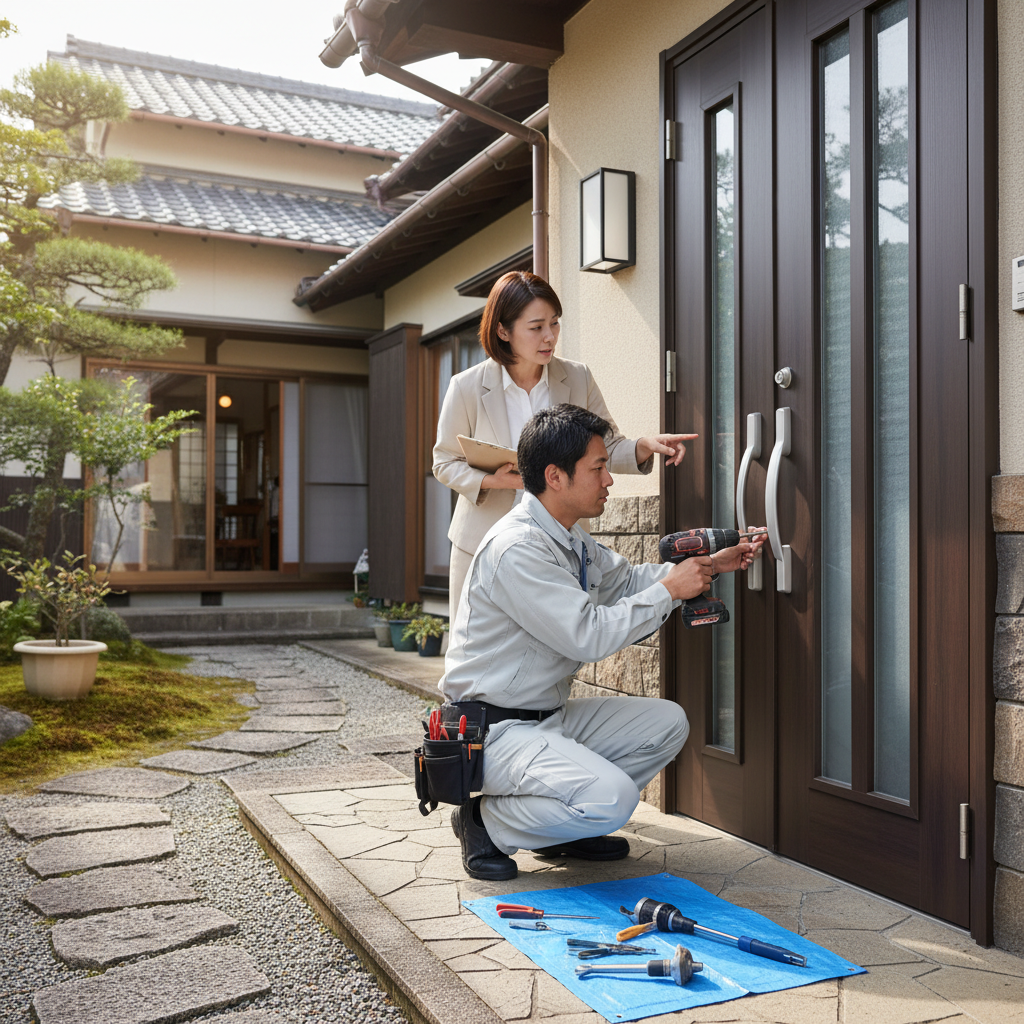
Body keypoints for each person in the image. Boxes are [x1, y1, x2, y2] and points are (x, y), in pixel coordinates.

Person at [439, 404, 765, 880]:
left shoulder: (567, 537)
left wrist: (712, 565)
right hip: (493, 733)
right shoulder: (518, 549)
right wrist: (672, 590)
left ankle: (563, 830)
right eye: (599, 468)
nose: (610, 480)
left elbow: (627, 580)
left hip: (545, 719)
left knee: (667, 722)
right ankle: (484, 823)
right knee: (612, 797)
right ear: (556, 476)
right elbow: (587, 635)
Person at [432, 271, 697, 620]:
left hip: (559, 542)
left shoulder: (577, 377)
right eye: (536, 326)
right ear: (503, 330)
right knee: (476, 650)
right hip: (483, 541)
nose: (550, 337)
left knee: (559, 646)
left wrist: (643, 447)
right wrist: (502, 480)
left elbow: (606, 446)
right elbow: (444, 462)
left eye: (555, 324)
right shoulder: (467, 387)